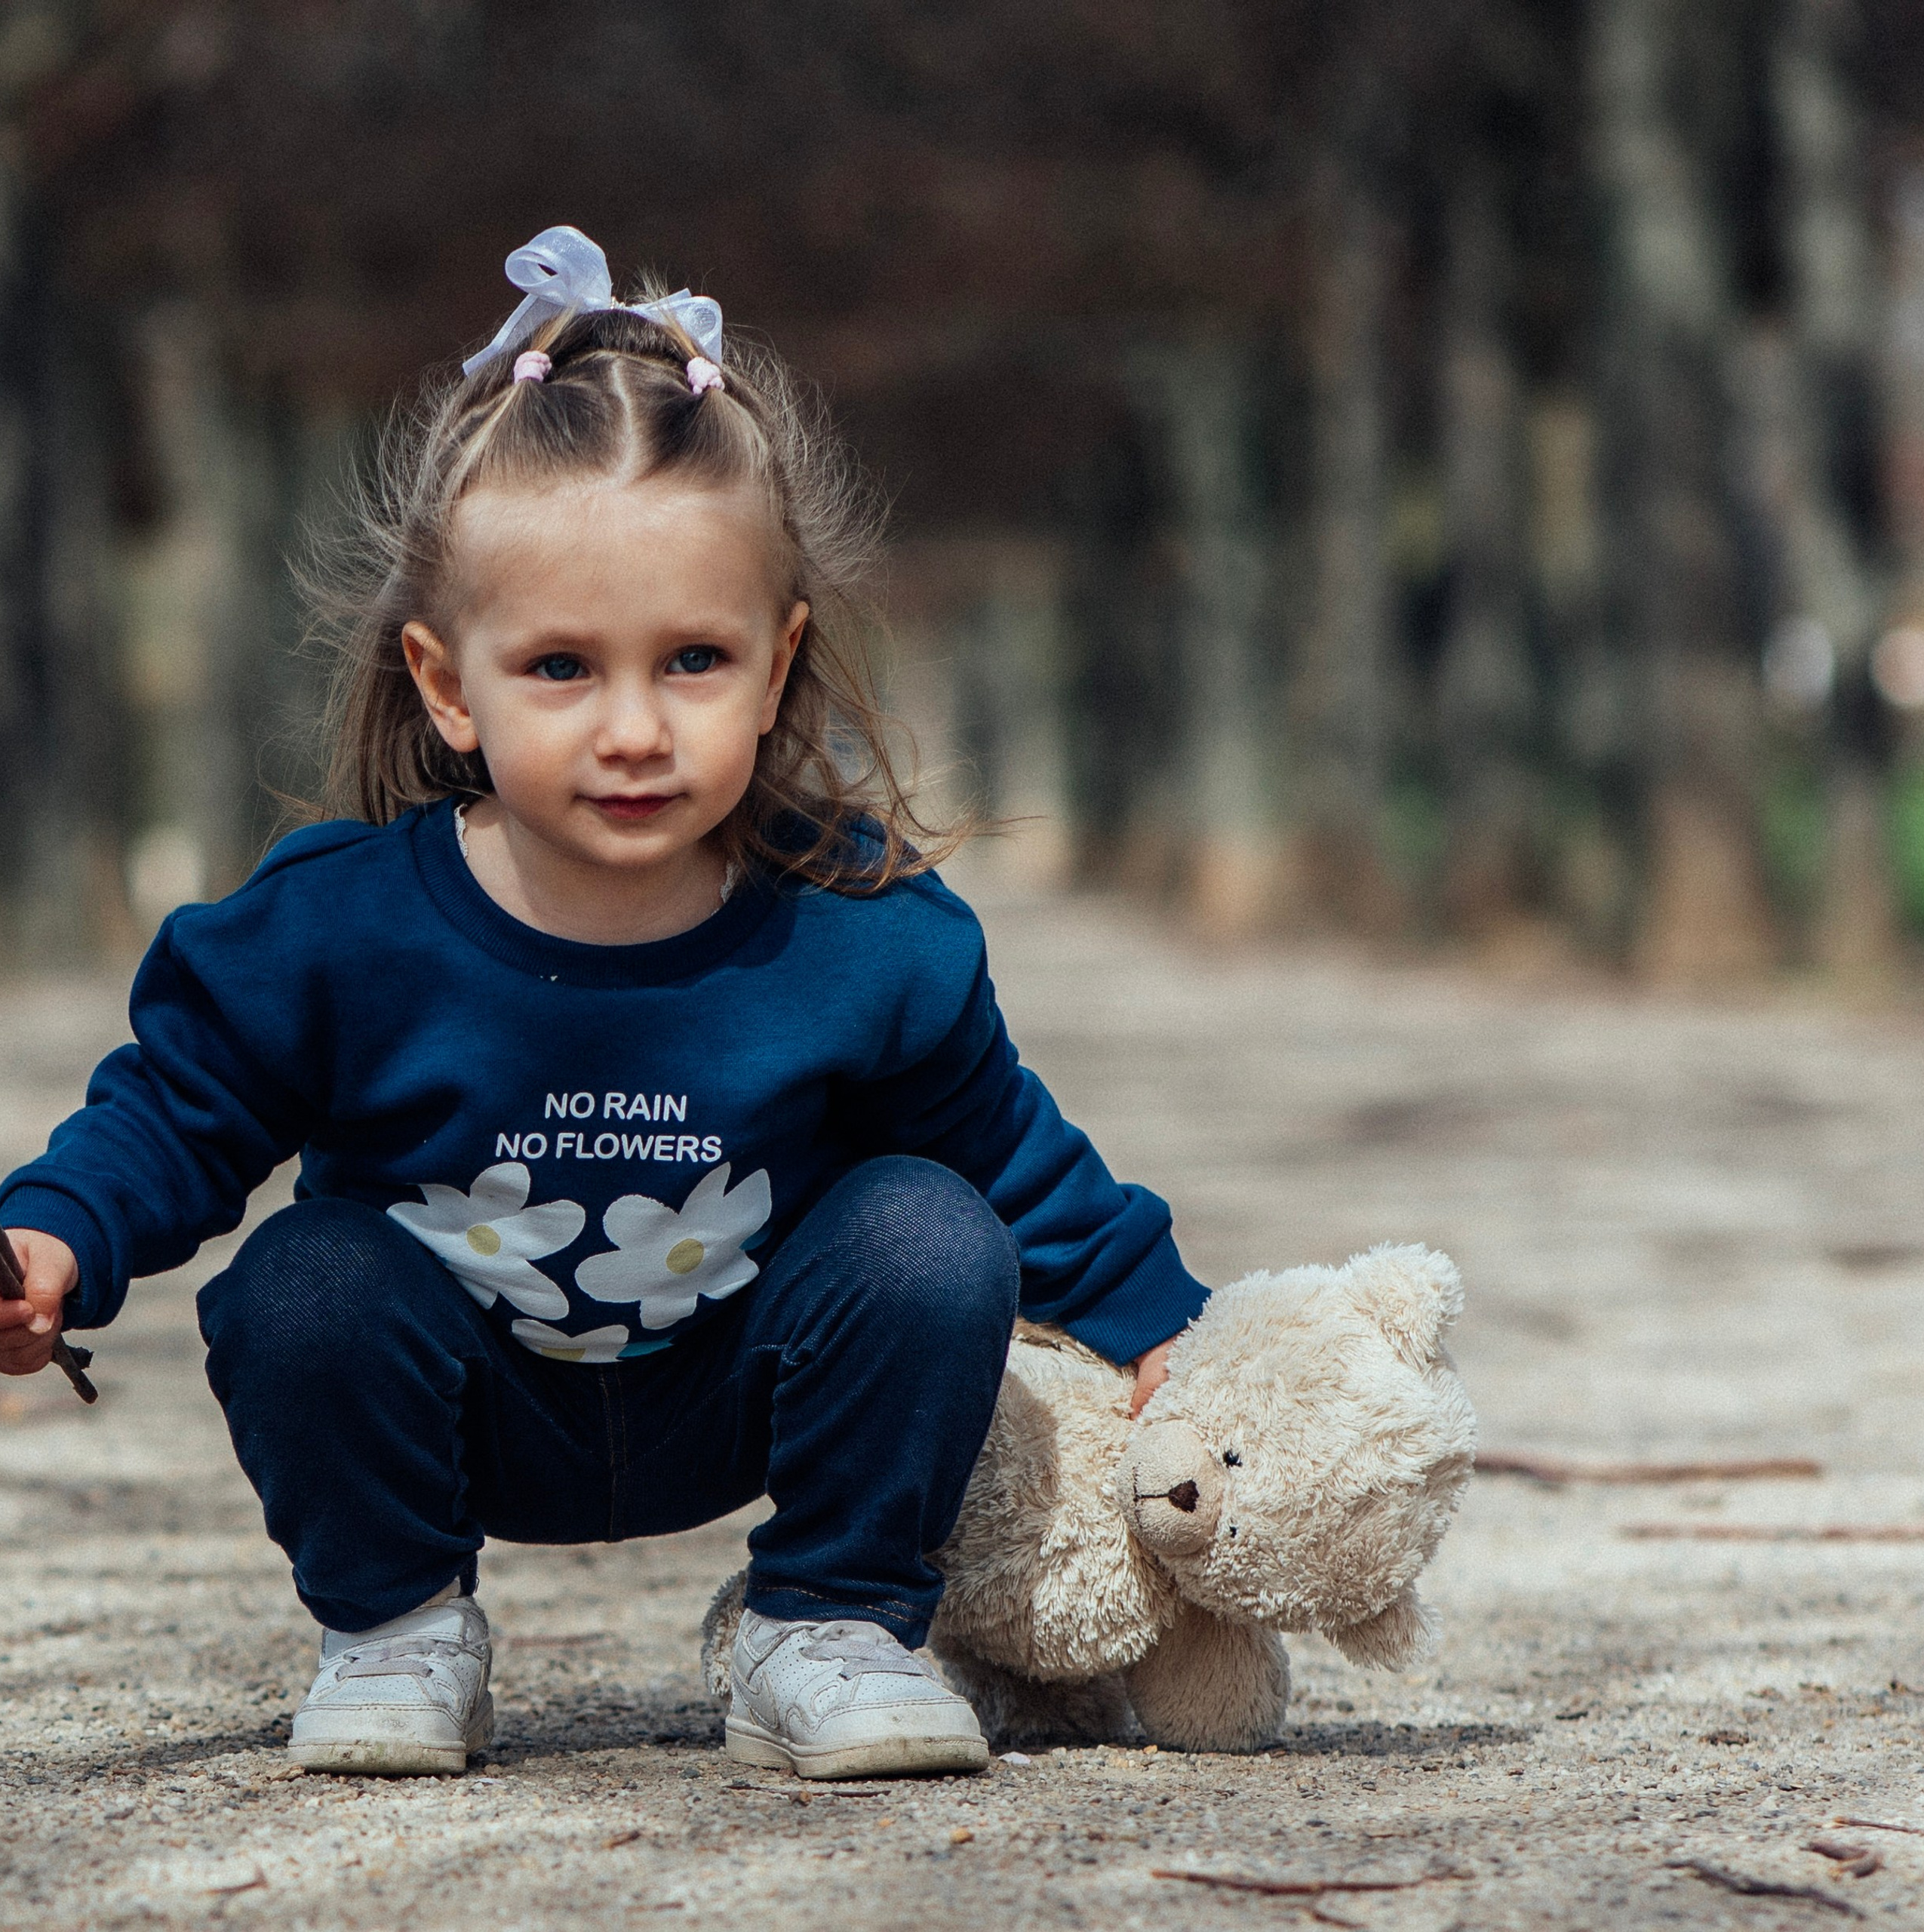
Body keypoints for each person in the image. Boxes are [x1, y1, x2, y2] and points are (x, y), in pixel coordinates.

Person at [0, 227, 1208, 1782]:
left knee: (927, 1227)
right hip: (458, 1400)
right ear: (449, 684)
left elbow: (1014, 1159)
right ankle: (397, 1627)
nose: (633, 728)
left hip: (742, 1386)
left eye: (693, 659)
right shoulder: (335, 932)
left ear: (776, 665)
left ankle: (828, 1623)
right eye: (561, 667)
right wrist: (49, 1237)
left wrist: (1167, 1327)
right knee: (305, 1274)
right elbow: (172, 1112)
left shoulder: (857, 931)